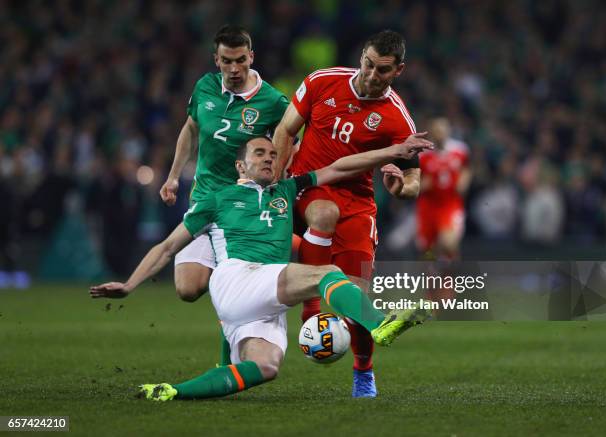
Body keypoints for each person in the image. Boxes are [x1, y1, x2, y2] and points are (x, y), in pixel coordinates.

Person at [90, 136, 433, 401]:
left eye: (272, 155)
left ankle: (173, 390)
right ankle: (378, 325)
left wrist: (394, 152)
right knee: (326, 275)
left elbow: (341, 167)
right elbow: (167, 247)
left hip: (262, 299)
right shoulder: (216, 200)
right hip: (238, 276)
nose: (269, 158)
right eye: (259, 154)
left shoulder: (286, 189)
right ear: (240, 166)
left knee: (266, 366)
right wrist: (130, 284)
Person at [273, 30, 422, 397]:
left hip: (357, 204)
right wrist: (275, 187)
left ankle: (363, 371)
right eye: (368, 64)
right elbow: (285, 130)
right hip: (307, 187)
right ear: (361, 56)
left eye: (383, 71)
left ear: (398, 70)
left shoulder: (397, 119)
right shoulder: (322, 82)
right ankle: (310, 311)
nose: (372, 76)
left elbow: (414, 177)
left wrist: (402, 188)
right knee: (323, 212)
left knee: (357, 295)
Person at [158, 25, 288, 364]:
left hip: (241, 209)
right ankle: (236, 308)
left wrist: (278, 179)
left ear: (251, 58)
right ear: (216, 59)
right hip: (204, 201)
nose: (234, 69)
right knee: (188, 289)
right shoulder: (204, 87)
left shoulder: (273, 101)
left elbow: (290, 140)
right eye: (226, 61)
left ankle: (230, 353)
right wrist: (173, 177)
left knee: (229, 286)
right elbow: (190, 129)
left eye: (240, 61)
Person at [416, 117, 471, 260]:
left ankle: (451, 278)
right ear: (432, 133)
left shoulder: (460, 150)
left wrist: (464, 180)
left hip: (450, 204)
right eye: (437, 131)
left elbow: (467, 169)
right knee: (428, 250)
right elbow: (413, 182)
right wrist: (422, 186)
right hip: (428, 206)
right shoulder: (423, 156)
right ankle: (432, 279)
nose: (440, 134)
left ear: (448, 131)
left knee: (449, 244)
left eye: (442, 130)